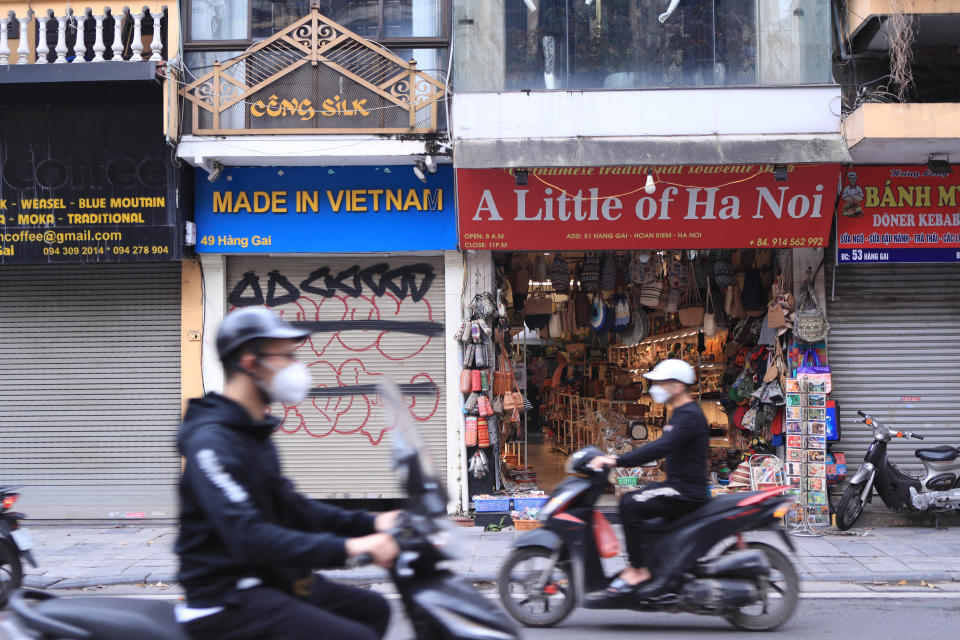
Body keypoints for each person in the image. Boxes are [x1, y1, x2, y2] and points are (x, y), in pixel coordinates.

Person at [175, 307, 400, 640]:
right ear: (250, 362)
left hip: (270, 579)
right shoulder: (213, 442)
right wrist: (351, 547)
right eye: (287, 357)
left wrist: (372, 522)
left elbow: (292, 505)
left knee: (373, 609)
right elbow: (248, 535)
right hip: (226, 597)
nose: (297, 368)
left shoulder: (251, 432)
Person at [588, 359, 709, 596]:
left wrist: (616, 460)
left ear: (677, 386)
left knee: (629, 503)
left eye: (661, 382)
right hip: (677, 485)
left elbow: (659, 448)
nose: (655, 387)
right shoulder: (682, 413)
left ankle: (638, 569)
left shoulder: (688, 416)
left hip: (684, 490)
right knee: (641, 500)